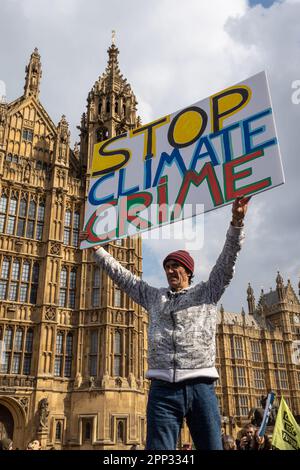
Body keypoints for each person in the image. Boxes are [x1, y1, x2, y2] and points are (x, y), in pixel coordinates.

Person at [80, 196, 250, 450]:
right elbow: (124, 278)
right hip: (162, 389)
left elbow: (227, 262)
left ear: (188, 272)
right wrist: (98, 250)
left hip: (200, 385)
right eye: (168, 266)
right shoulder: (154, 296)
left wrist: (236, 221)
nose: (171, 270)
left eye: (177, 266)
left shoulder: (207, 292)